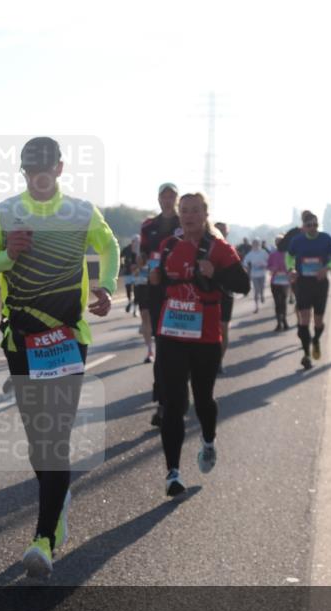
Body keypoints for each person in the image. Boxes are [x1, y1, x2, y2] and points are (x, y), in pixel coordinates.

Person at [0, 136, 119, 577]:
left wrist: (106, 284)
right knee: (39, 443)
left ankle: (43, 539)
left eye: (47, 166)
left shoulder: (81, 212)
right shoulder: (4, 214)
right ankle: (59, 501)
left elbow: (110, 247)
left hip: (69, 337)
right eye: (32, 168)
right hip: (22, 341)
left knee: (55, 439)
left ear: (61, 167)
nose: (41, 174)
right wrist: (5, 254)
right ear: (23, 171)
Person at [149, 192, 249, 496]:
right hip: (171, 336)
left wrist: (215, 273)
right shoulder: (168, 247)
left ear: (205, 213)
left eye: (195, 210)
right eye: (184, 211)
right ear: (179, 215)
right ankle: (173, 473)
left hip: (204, 338)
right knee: (173, 404)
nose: (189, 215)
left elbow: (242, 285)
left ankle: (208, 440)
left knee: (203, 399)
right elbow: (160, 285)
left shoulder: (219, 249)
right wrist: (155, 280)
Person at [141, 183, 181, 424]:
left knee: (181, 348)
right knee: (163, 347)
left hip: (183, 292)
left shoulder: (185, 221)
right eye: (164, 196)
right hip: (156, 290)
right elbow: (144, 255)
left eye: (171, 196)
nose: (167, 200)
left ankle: (179, 395)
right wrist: (143, 263)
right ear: (158, 199)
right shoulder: (149, 226)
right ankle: (163, 402)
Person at [286, 210, 331, 370]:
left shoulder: (325, 239)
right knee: (304, 319)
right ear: (303, 227)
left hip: (320, 284)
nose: (312, 228)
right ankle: (306, 355)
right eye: (309, 225)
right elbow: (289, 256)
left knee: (318, 321)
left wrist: (327, 268)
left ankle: (316, 340)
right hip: (303, 284)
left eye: (315, 224)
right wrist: (291, 269)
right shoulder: (297, 240)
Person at [213, 221, 236, 374]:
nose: (220, 233)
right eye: (218, 230)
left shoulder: (230, 250)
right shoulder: (205, 249)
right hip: (207, 296)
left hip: (226, 295)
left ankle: (218, 361)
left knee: (223, 330)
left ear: (227, 233)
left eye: (223, 231)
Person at [268, 234, 291, 330]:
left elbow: (292, 266)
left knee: (283, 302)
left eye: (280, 241)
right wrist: (272, 269)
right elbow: (268, 266)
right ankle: (278, 323)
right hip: (275, 281)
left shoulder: (288, 254)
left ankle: (284, 321)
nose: (278, 243)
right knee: (277, 302)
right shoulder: (272, 254)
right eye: (277, 241)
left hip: (285, 280)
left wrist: (287, 270)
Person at [242, 238, 268, 313]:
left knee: (262, 288)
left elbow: (269, 261)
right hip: (254, 275)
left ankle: (262, 295)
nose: (255, 245)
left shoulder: (263, 252)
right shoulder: (250, 254)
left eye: (256, 243)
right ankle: (257, 307)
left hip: (262, 274)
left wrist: (264, 265)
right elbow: (245, 262)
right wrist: (247, 268)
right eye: (254, 243)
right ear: (252, 245)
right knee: (256, 290)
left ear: (259, 244)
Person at [120, 235, 139, 314]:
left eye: (138, 242)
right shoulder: (127, 249)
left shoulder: (140, 250)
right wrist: (122, 266)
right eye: (135, 241)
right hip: (127, 272)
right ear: (132, 241)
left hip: (137, 273)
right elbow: (120, 256)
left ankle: (135, 309)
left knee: (136, 291)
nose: (136, 243)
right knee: (128, 288)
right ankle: (129, 301)